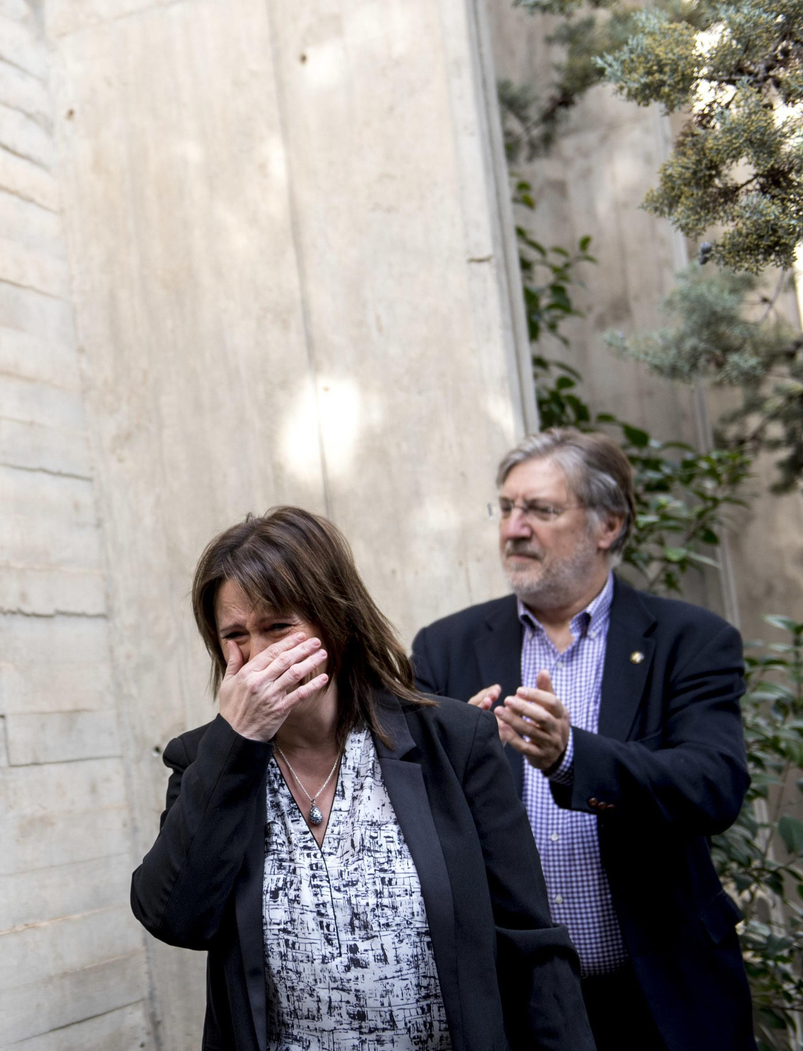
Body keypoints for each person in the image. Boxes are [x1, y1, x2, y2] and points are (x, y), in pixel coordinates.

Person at [132, 506, 592, 1051]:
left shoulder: (453, 741)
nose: (258, 654)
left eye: (278, 626)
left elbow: (530, 946)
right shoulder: (205, 759)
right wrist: (238, 743)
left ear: (337, 624)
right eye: (236, 635)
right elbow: (175, 919)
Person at [411, 427, 753, 1051]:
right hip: (523, 1007)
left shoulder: (690, 640)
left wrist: (572, 757)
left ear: (608, 526)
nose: (514, 528)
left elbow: (713, 786)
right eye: (507, 507)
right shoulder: (445, 648)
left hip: (665, 996)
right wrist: (465, 753)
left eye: (540, 510)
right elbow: (409, 812)